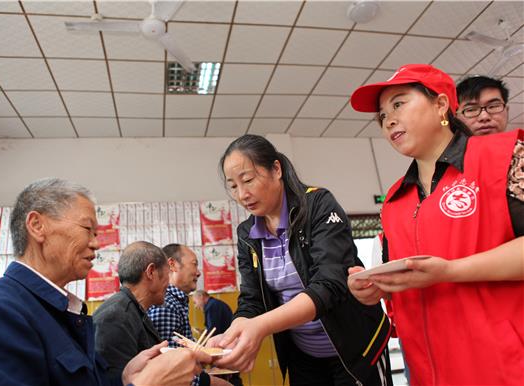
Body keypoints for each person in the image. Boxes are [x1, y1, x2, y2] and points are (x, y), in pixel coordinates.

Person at [348, 64, 524, 385]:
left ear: (441, 105)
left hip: (503, 366)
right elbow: (405, 276)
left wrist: (451, 271)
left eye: (399, 103)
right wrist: (376, 288)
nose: (388, 119)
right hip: (427, 372)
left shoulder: (505, 156)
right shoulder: (394, 200)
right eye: (382, 115)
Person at [0, 178, 211, 386]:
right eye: (88, 230)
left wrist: (123, 379)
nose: (96, 243)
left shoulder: (61, 312)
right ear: (38, 226)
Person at [210, 135, 392, 386]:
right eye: (233, 186)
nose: (242, 194)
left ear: (276, 169)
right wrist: (236, 331)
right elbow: (252, 298)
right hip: (302, 355)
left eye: (249, 180)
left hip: (355, 347)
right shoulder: (247, 233)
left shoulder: (318, 205)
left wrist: (260, 326)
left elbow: (329, 284)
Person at [148, 243, 230, 386]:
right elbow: (170, 368)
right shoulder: (167, 304)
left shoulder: (174, 301)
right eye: (194, 264)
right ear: (172, 265)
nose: (198, 273)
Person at [94, 241, 169, 380]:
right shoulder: (116, 317)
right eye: (167, 273)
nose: (169, 283)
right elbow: (115, 380)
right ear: (151, 272)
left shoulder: (132, 309)